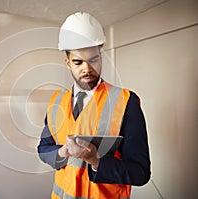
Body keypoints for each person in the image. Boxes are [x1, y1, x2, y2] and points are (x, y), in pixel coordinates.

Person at [37, 12, 151, 199]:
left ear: (100, 57)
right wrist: (61, 152)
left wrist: (96, 161)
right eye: (78, 62)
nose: (87, 69)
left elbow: (140, 172)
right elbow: (43, 148)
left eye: (93, 60)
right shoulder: (56, 101)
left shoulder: (126, 102)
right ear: (67, 63)